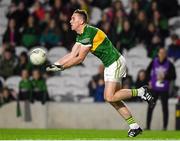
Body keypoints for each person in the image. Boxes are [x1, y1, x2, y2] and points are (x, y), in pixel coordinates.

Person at [46, 9, 155, 137]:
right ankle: (134, 126)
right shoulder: (81, 35)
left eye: (73, 19)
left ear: (81, 21)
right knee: (113, 99)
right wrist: (56, 64)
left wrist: (62, 68)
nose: (70, 21)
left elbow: (80, 58)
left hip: (115, 62)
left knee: (109, 96)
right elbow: (72, 54)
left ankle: (142, 91)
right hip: (110, 64)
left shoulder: (89, 32)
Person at [146, 47, 176, 130]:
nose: (162, 54)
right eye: (160, 52)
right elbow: (147, 72)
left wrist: (165, 76)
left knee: (165, 108)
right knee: (150, 107)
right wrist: (148, 81)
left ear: (165, 54)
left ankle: (165, 127)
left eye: (164, 53)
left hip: (164, 89)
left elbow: (174, 76)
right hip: (154, 89)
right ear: (158, 54)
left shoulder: (169, 64)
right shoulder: (153, 62)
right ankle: (148, 127)